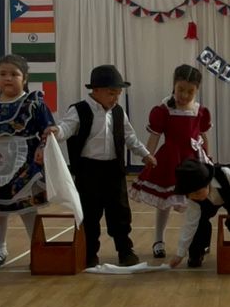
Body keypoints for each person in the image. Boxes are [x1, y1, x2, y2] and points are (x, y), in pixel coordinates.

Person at [55, 64, 155, 269]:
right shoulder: (79, 110)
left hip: (114, 170)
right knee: (89, 214)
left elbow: (130, 137)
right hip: (88, 172)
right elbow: (65, 128)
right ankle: (90, 253)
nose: (115, 98)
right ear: (96, 90)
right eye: (111, 93)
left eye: (118, 93)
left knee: (120, 212)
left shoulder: (118, 112)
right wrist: (55, 132)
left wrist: (145, 155)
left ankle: (125, 250)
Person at [0, 54, 56, 269]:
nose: (8, 78)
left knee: (27, 207)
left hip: (23, 159)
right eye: (3, 74)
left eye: (14, 74)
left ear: (24, 78)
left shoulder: (33, 103)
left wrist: (42, 147)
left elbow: (48, 130)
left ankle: (39, 249)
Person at [129, 64, 212, 258]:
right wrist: (148, 156)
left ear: (197, 90)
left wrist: (207, 159)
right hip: (171, 159)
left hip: (192, 161)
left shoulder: (200, 111)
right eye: (180, 90)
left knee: (197, 202)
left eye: (190, 91)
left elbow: (203, 136)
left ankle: (196, 243)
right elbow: (155, 136)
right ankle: (158, 240)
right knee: (164, 201)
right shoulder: (164, 109)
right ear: (173, 86)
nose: (184, 95)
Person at [169, 156, 230, 268]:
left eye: (198, 193)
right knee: (199, 223)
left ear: (207, 183)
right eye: (191, 195)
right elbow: (189, 225)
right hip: (207, 206)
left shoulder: (225, 173)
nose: (196, 197)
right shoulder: (193, 201)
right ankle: (198, 252)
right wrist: (180, 254)